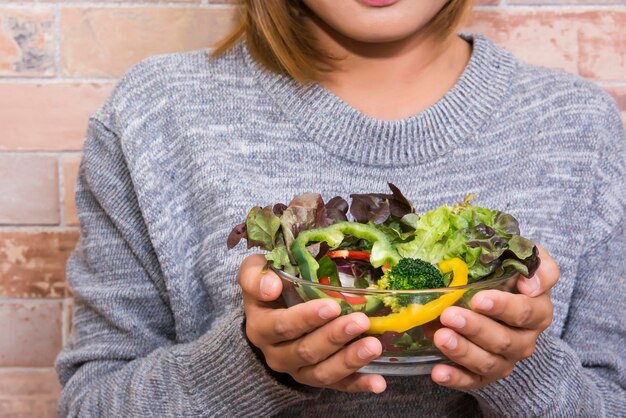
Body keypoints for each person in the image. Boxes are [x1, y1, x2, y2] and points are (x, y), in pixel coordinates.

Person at [55, 0, 625, 416]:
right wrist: (252, 363)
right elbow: (91, 405)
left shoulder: (579, 126)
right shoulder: (153, 115)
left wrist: (522, 368)